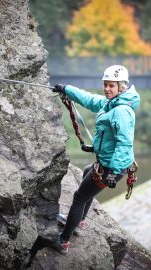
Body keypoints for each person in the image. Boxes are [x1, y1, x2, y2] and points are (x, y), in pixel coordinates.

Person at [52, 65, 140, 253]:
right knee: (86, 174)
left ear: (121, 88)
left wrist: (113, 171)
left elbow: (124, 143)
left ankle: (64, 239)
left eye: (112, 86)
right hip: (108, 163)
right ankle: (80, 221)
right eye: (106, 85)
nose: (107, 89)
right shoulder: (112, 103)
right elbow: (90, 100)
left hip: (111, 168)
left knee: (80, 197)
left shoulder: (121, 111)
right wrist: (66, 89)